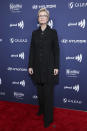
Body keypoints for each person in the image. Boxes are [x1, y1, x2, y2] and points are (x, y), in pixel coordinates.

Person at [28, 8, 60, 128]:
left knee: (48, 94)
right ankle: (41, 110)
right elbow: (32, 50)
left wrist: (56, 66)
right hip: (37, 67)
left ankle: (48, 119)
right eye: (40, 16)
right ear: (38, 18)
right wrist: (30, 65)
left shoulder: (53, 33)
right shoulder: (34, 33)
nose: (42, 17)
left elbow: (56, 50)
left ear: (48, 18)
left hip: (49, 67)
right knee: (40, 92)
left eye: (44, 15)